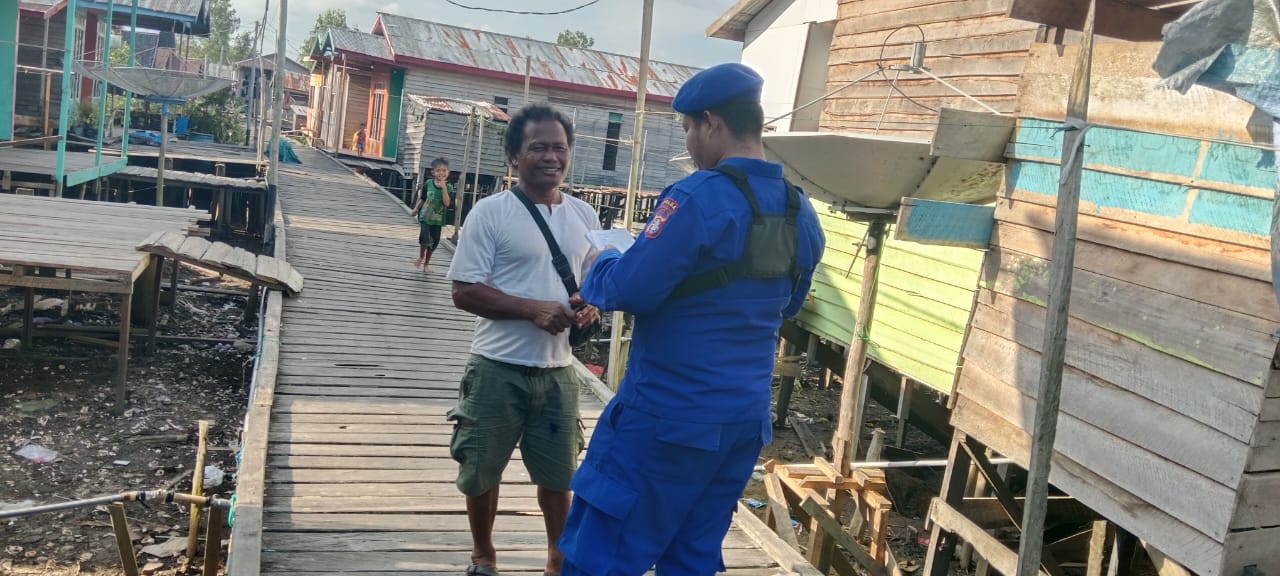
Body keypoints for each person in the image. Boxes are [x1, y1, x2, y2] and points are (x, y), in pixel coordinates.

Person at [557, 63, 826, 575]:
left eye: (686, 128)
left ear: (711, 123)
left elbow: (630, 288)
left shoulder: (697, 197)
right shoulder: (800, 211)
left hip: (666, 418)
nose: (689, 140)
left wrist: (600, 264)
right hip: (740, 425)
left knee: (600, 554)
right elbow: (788, 306)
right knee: (692, 558)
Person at [445, 103, 602, 576]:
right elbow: (463, 290)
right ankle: (483, 555)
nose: (551, 156)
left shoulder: (585, 214)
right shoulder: (490, 213)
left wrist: (591, 305)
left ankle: (557, 558)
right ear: (514, 156)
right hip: (495, 367)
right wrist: (531, 309)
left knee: (559, 476)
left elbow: (592, 280)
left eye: (559, 147)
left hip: (557, 373)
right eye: (538, 147)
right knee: (480, 470)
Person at [412, 157, 454, 272]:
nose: (441, 173)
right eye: (439, 170)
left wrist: (444, 187)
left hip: (438, 220)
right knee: (425, 239)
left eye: (444, 170)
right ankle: (421, 257)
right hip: (425, 217)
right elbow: (423, 198)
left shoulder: (449, 187)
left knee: (434, 243)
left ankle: (426, 264)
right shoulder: (428, 183)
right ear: (433, 172)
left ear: (448, 172)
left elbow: (446, 203)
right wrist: (416, 209)